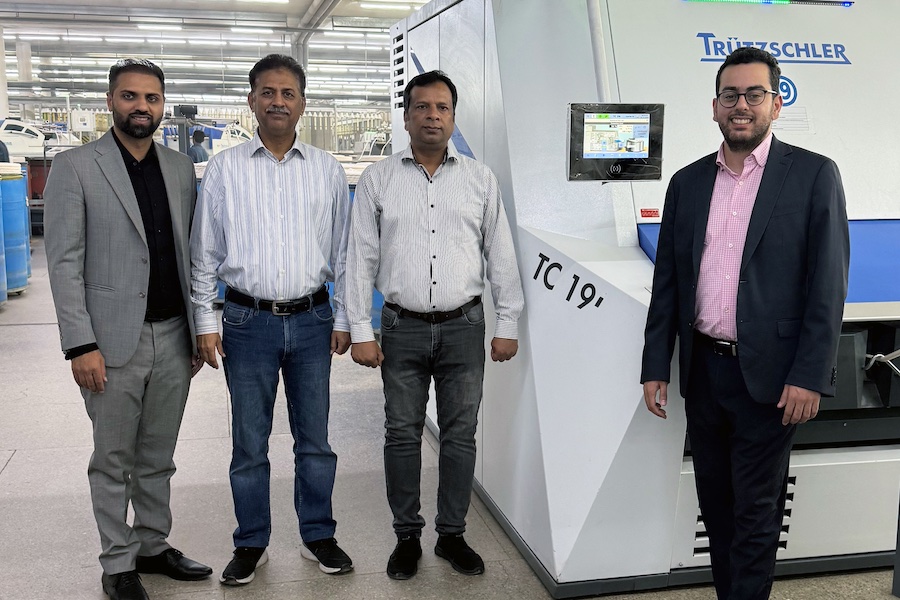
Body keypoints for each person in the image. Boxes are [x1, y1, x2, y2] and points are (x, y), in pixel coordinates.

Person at [641, 47, 849, 600]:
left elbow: (827, 286)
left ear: (775, 105)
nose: (742, 105)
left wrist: (810, 375)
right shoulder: (687, 184)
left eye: (755, 94)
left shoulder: (812, 176)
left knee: (756, 515)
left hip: (773, 379)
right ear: (714, 106)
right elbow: (669, 283)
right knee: (717, 507)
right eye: (731, 95)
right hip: (705, 374)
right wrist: (655, 365)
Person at [346, 70, 525, 580]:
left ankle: (451, 535)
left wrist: (507, 320)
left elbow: (501, 252)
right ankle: (407, 536)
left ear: (452, 116)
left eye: (441, 107)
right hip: (400, 326)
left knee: (460, 434)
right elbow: (359, 257)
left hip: (464, 325)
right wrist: (360, 328)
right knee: (401, 433)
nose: (432, 115)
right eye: (421, 107)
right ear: (405, 117)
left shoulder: (479, 179)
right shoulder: (379, 180)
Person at [44, 58, 212, 600]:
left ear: (163, 105)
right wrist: (80, 342)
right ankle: (117, 562)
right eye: (130, 97)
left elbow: (190, 254)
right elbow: (64, 262)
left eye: (152, 98)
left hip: (173, 334)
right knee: (113, 456)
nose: (142, 107)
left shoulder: (180, 167)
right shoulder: (76, 167)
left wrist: (194, 329)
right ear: (111, 101)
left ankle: (151, 544)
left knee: (158, 454)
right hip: (112, 341)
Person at [190, 53, 353, 586]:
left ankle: (318, 534)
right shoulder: (225, 168)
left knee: (315, 440)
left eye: (287, 93)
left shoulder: (327, 170)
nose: (277, 101)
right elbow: (204, 255)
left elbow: (346, 253)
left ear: (302, 103)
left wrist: (346, 317)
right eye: (267, 92)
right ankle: (251, 541)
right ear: (252, 100)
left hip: (311, 319)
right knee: (248, 441)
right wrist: (205, 321)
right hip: (245, 321)